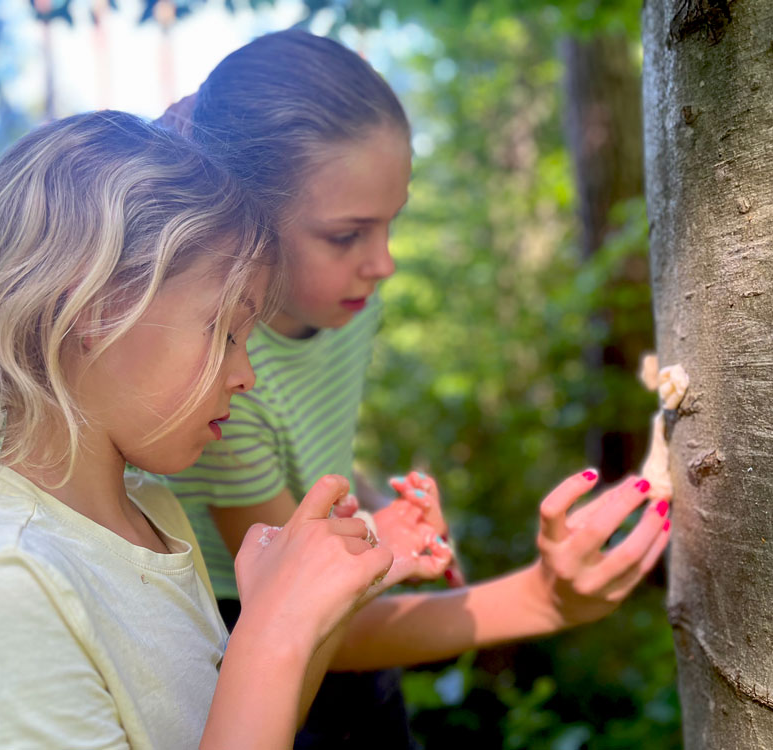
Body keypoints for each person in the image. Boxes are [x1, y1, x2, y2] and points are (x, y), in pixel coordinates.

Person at [159, 29, 673, 748]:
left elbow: (313, 446)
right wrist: (534, 599)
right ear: (243, 223)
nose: (384, 264)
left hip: (346, 620)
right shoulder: (219, 385)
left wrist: (374, 513)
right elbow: (298, 619)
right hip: (245, 656)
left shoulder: (342, 306)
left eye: (391, 223)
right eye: (348, 235)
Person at [0, 110, 406, 749]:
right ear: (92, 308)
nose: (244, 373)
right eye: (223, 330)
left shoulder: (152, 517)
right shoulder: (5, 588)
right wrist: (273, 628)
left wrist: (308, 609)